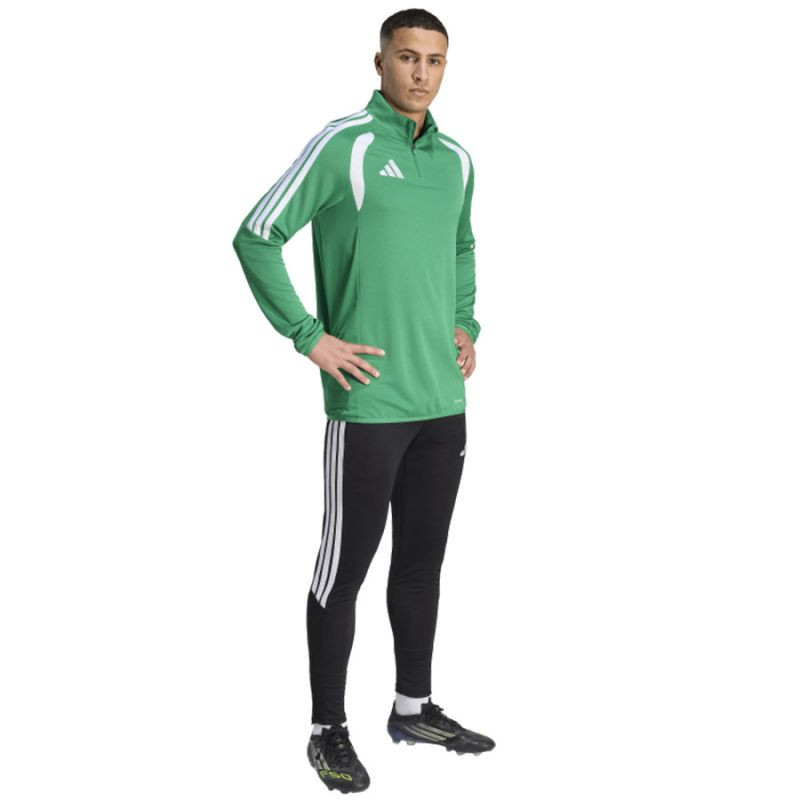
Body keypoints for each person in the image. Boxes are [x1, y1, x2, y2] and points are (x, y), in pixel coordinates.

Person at [232, 8, 494, 793]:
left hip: (441, 400)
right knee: (341, 568)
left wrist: (466, 322)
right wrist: (308, 336)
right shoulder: (344, 143)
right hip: (369, 404)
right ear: (380, 62)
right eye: (407, 57)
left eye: (435, 61)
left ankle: (412, 708)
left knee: (420, 564)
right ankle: (327, 729)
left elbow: (462, 245)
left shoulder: (456, 159)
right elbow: (256, 233)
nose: (421, 74)